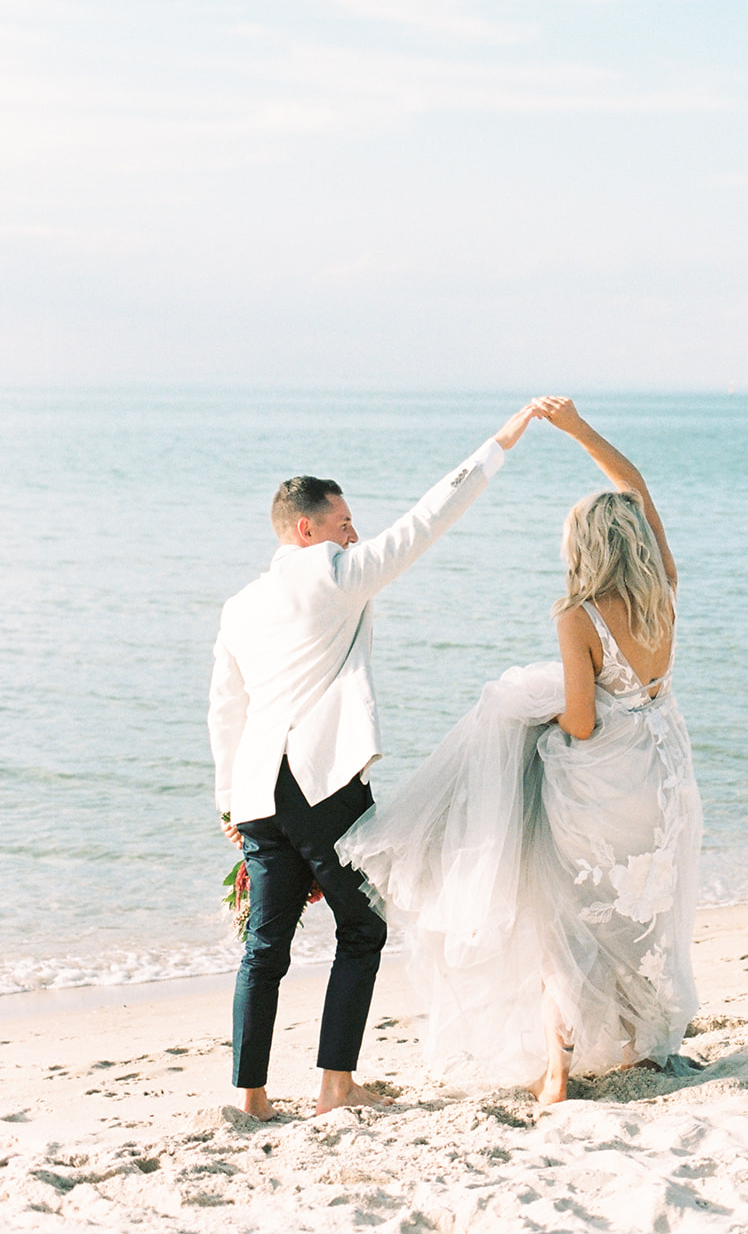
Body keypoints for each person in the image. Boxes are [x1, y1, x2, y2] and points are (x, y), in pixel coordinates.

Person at [336, 396, 702, 1103]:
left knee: (558, 909)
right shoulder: (665, 588)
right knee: (635, 910)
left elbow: (583, 721)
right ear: (636, 543)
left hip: (599, 780)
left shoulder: (578, 613)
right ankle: (638, 1044)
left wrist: (533, 721)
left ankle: (560, 1068)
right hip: (660, 774)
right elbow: (638, 490)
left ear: (583, 548)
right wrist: (577, 430)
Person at [207, 404, 538, 1120]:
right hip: (320, 784)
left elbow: (224, 710)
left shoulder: (239, 606)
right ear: (307, 529)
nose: (353, 532)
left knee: (264, 949)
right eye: (342, 521)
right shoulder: (331, 576)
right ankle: (334, 1086)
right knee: (362, 929)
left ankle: (252, 1097)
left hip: (259, 792)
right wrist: (498, 442)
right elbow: (427, 519)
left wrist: (228, 802)